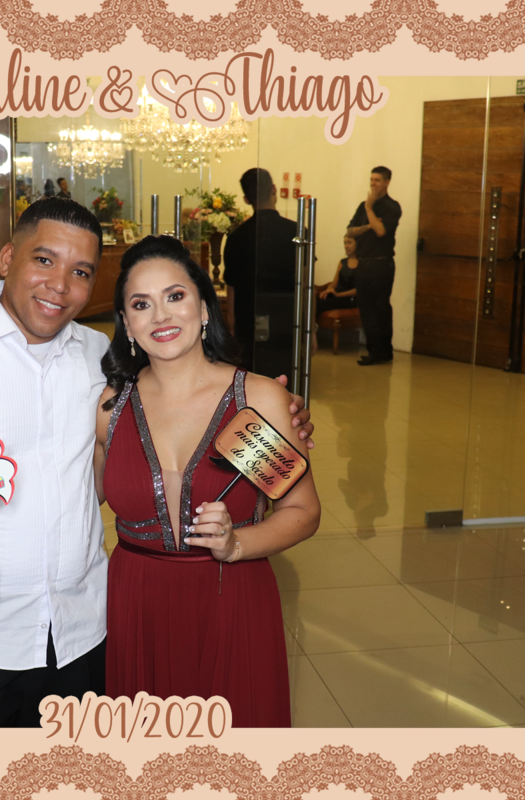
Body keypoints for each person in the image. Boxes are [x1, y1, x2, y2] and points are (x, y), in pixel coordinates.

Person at [0, 198, 316, 728]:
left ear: (204, 307)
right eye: (44, 260)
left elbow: (286, 492)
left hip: (83, 635)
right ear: (7, 258)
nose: (60, 285)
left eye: (81, 272)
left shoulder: (100, 362)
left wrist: (281, 414)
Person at [96, 236, 321, 727]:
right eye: (141, 304)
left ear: (203, 308)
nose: (160, 316)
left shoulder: (253, 402)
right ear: (127, 324)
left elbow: (302, 512)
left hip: (231, 599)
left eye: (175, 296)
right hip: (138, 605)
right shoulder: (111, 410)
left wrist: (238, 543)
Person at [222, 168, 300, 378]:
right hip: (287, 320)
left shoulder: (236, 237)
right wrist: (310, 330)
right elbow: (304, 286)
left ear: (246, 199)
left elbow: (231, 288)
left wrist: (234, 328)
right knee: (286, 380)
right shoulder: (296, 232)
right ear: (274, 189)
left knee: (251, 381)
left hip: (248, 322)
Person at [346, 166, 402, 365]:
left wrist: (370, 210)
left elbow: (381, 231)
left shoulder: (392, 207)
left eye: (377, 180)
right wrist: (369, 224)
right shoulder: (362, 206)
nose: (373, 184)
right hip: (363, 263)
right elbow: (350, 231)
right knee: (366, 308)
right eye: (371, 180)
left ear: (387, 182)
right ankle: (374, 350)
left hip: (381, 264)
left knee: (381, 308)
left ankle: (384, 351)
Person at [316, 234, 360, 313]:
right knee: (310, 301)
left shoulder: (364, 263)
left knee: (317, 306)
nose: (346, 246)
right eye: (345, 243)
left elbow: (361, 289)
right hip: (337, 294)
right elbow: (334, 284)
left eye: (349, 243)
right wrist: (326, 291)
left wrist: (339, 294)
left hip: (350, 298)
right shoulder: (343, 262)